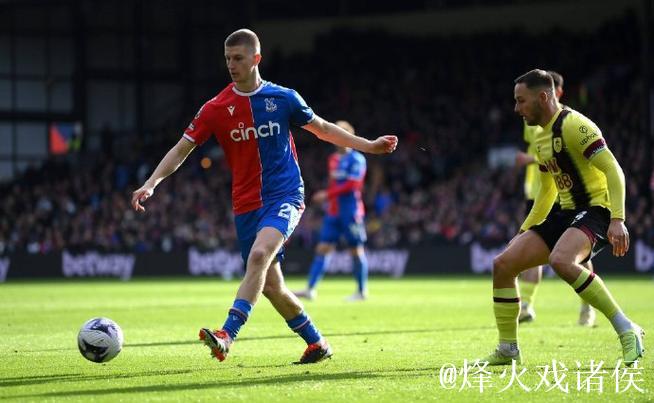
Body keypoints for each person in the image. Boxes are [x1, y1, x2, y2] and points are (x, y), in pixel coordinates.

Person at [130, 29, 398, 364]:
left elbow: (324, 129)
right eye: (227, 59)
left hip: (285, 195)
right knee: (271, 286)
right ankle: (317, 343)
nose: (231, 65)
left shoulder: (284, 98)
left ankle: (227, 334)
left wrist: (369, 146)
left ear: (256, 58)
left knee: (258, 256)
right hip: (245, 205)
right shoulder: (215, 108)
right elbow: (182, 148)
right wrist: (152, 182)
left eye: (238, 58)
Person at [483, 69, 643, 366]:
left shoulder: (575, 125)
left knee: (561, 260)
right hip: (566, 212)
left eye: (521, 100)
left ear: (543, 97)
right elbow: (546, 193)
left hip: (597, 210)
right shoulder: (541, 137)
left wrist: (618, 219)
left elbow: (613, 169)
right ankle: (508, 349)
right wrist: (523, 232)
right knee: (503, 265)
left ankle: (626, 328)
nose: (516, 108)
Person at [515, 71, 595, 326]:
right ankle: (526, 306)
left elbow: (560, 155)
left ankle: (588, 305)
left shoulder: (569, 123)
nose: (520, 108)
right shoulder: (531, 121)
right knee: (531, 247)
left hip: (567, 194)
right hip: (537, 191)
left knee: (578, 256)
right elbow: (542, 149)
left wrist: (529, 159)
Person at [295, 120, 369, 301]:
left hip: (351, 212)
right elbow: (334, 183)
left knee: (356, 250)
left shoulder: (357, 159)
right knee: (323, 248)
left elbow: (353, 185)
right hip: (334, 212)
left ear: (349, 136)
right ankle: (310, 289)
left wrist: (327, 195)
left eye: (341, 134)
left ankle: (361, 292)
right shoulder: (333, 159)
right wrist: (329, 198)